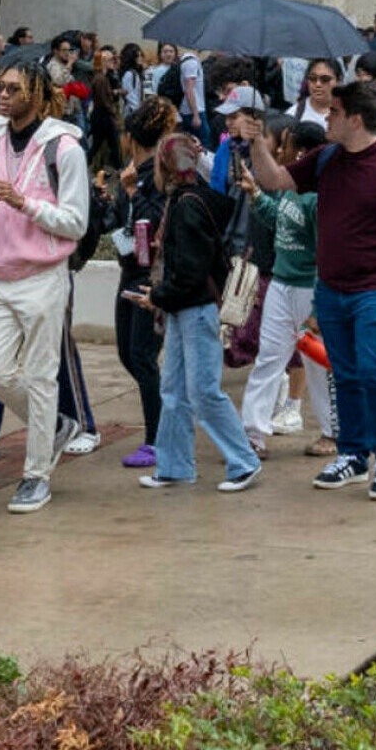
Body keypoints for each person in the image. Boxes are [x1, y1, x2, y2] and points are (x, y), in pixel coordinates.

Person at [243, 80, 376, 502]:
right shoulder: (326, 158)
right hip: (331, 289)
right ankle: (352, 454)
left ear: (355, 118)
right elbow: (275, 179)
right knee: (345, 373)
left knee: (373, 370)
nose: (325, 117)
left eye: (333, 112)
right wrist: (257, 142)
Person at [0, 64, 89, 514]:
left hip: (43, 276)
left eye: (13, 88)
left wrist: (24, 203)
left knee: (41, 377)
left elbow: (76, 222)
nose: (2, 94)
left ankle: (36, 475)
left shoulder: (65, 148)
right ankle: (57, 427)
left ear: (37, 94)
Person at [124, 133, 261, 494]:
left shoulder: (184, 206)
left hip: (196, 309)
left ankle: (243, 460)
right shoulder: (198, 199)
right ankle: (174, 466)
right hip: (190, 308)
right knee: (174, 389)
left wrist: (160, 296)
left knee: (200, 391)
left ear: (166, 166)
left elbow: (189, 271)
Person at [237, 119, 335, 452]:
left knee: (318, 364)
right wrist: (255, 194)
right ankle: (252, 434)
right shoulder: (288, 187)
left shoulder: (319, 197)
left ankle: (332, 433)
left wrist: (320, 307)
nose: (282, 150)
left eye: (287, 144)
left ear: (303, 152)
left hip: (309, 290)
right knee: (269, 358)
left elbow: (326, 252)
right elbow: (280, 219)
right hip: (281, 283)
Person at [110, 98, 174, 468]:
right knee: (127, 353)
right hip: (128, 270)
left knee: (143, 356)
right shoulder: (130, 172)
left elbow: (150, 224)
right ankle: (165, 416)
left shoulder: (157, 175)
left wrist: (133, 194)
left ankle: (157, 439)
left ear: (131, 136)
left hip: (150, 276)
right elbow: (121, 224)